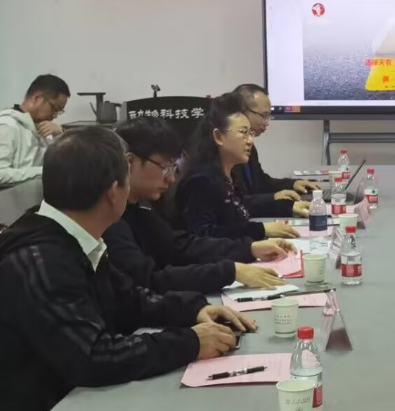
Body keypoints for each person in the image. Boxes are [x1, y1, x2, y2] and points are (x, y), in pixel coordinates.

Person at [0, 126, 252, 411]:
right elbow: (92, 356)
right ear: (113, 191)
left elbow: (131, 300)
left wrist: (194, 310)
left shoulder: (76, 239)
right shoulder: (41, 261)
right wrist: (189, 343)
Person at [107, 116, 293, 293]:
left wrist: (249, 249)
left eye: (172, 168)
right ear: (130, 162)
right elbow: (150, 280)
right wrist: (229, 272)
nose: (171, 178)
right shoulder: (110, 219)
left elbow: (180, 245)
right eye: (164, 167)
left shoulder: (139, 206)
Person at [173, 94, 304, 241]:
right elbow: (203, 234)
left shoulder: (229, 174)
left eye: (250, 133)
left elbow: (243, 207)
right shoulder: (200, 181)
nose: (250, 141)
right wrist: (261, 230)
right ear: (218, 137)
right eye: (243, 133)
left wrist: (289, 207)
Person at [231, 83, 321, 209]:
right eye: (263, 116)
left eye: (268, 116)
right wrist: (274, 199)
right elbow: (235, 202)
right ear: (242, 112)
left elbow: (260, 182)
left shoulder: (249, 145)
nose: (267, 123)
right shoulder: (225, 150)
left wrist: (292, 184)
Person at [0, 74, 70, 196]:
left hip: (30, 196)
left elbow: (58, 159)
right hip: (3, 203)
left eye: (59, 111)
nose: (54, 116)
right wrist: (45, 172)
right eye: (54, 108)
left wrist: (62, 132)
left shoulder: (38, 125)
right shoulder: (6, 126)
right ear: (37, 98)